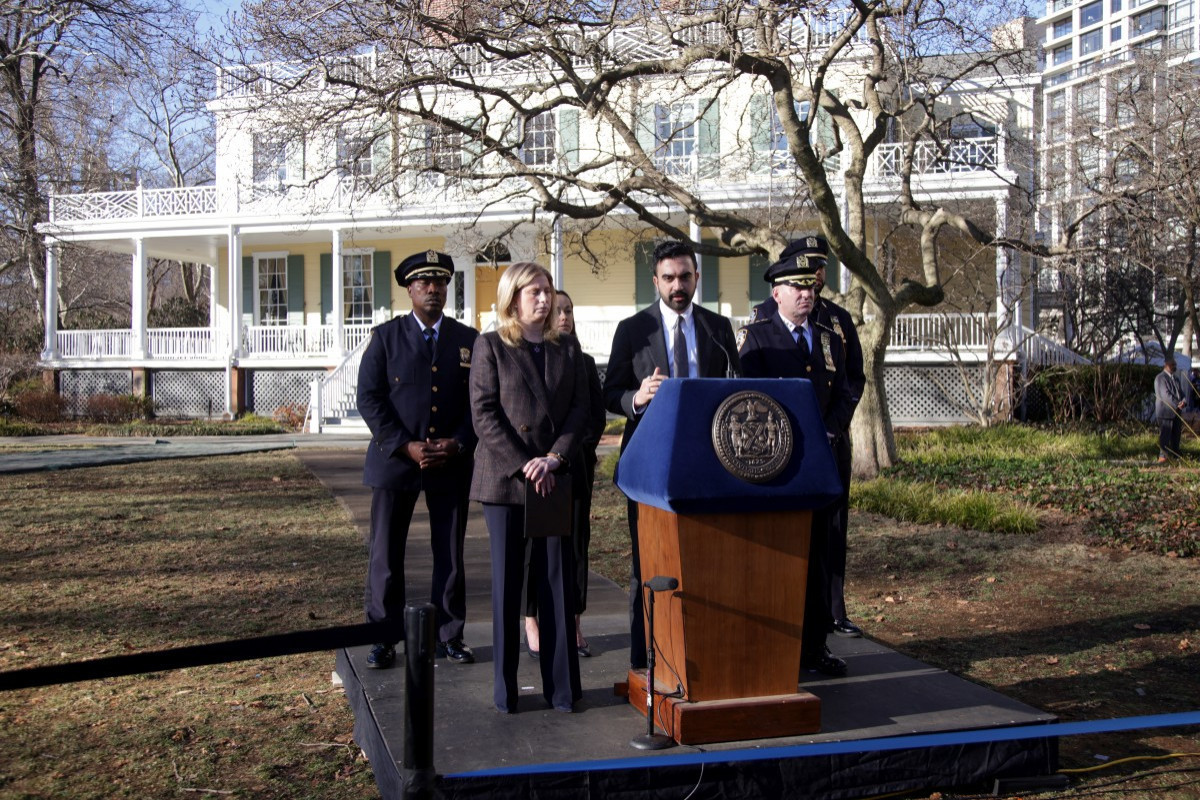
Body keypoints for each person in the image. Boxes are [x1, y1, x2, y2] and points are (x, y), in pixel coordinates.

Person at [603, 239, 741, 669]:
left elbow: (734, 386)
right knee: (650, 559)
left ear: (696, 277)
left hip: (708, 461)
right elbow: (610, 392)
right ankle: (646, 655)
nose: (677, 286)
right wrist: (637, 397)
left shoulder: (719, 329)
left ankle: (702, 648)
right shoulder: (632, 329)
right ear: (656, 281)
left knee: (707, 556)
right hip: (652, 463)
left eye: (685, 277)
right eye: (669, 278)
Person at [469, 262, 591, 713]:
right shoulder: (490, 346)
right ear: (513, 298)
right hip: (506, 481)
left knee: (556, 584)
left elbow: (582, 410)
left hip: (554, 479)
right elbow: (484, 415)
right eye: (534, 291)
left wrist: (555, 458)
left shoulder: (568, 348)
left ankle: (562, 691)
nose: (544, 299)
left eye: (548, 290)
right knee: (507, 586)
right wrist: (525, 465)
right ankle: (505, 693)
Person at [737, 243, 856, 676]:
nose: (806, 295)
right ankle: (774, 644)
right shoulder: (756, 338)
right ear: (777, 292)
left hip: (819, 466)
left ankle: (815, 645)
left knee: (820, 554)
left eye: (810, 287)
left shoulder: (827, 337)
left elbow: (844, 393)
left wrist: (831, 428)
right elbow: (749, 401)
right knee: (779, 556)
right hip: (777, 468)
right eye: (796, 287)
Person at [356, 250, 479, 669]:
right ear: (409, 289)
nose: (433, 290)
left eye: (440, 283)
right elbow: (369, 399)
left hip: (450, 463)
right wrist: (404, 444)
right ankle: (383, 636)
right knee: (386, 553)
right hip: (395, 462)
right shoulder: (385, 337)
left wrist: (459, 443)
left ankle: (449, 635)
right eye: (424, 283)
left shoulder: (468, 340)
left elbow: (478, 403)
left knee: (449, 552)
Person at [524, 290, 607, 659]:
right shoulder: (531, 357)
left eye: (569, 310)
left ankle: (574, 622)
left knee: (576, 547)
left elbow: (594, 417)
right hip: (535, 468)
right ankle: (532, 620)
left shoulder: (584, 361)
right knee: (534, 547)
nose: (563, 317)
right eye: (558, 311)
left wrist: (569, 453)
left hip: (575, 468)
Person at [1154, 356, 1186, 463]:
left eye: (1175, 365)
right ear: (1166, 364)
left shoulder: (1175, 378)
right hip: (1165, 412)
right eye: (1172, 365)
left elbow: (1181, 393)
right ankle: (1163, 456)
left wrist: (1183, 401)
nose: (1174, 367)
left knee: (1176, 434)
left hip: (1177, 412)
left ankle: (1175, 455)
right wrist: (1177, 404)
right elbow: (1165, 395)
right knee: (1165, 435)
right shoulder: (1160, 378)